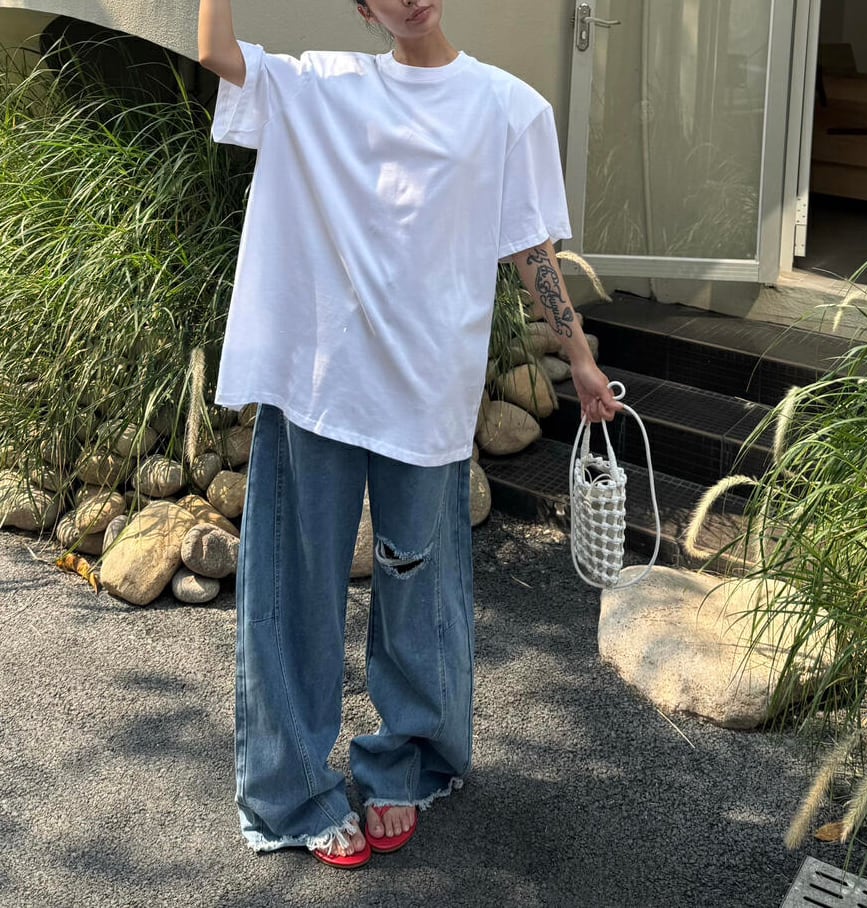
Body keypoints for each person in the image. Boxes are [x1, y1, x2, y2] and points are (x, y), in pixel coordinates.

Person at [197, 0, 621, 869]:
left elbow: (531, 249)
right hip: (319, 387)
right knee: (297, 590)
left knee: (418, 592)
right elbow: (216, 51)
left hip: (426, 394)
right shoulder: (323, 86)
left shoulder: (509, 108)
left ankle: (408, 760)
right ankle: (292, 792)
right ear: (364, 6)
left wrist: (579, 357)